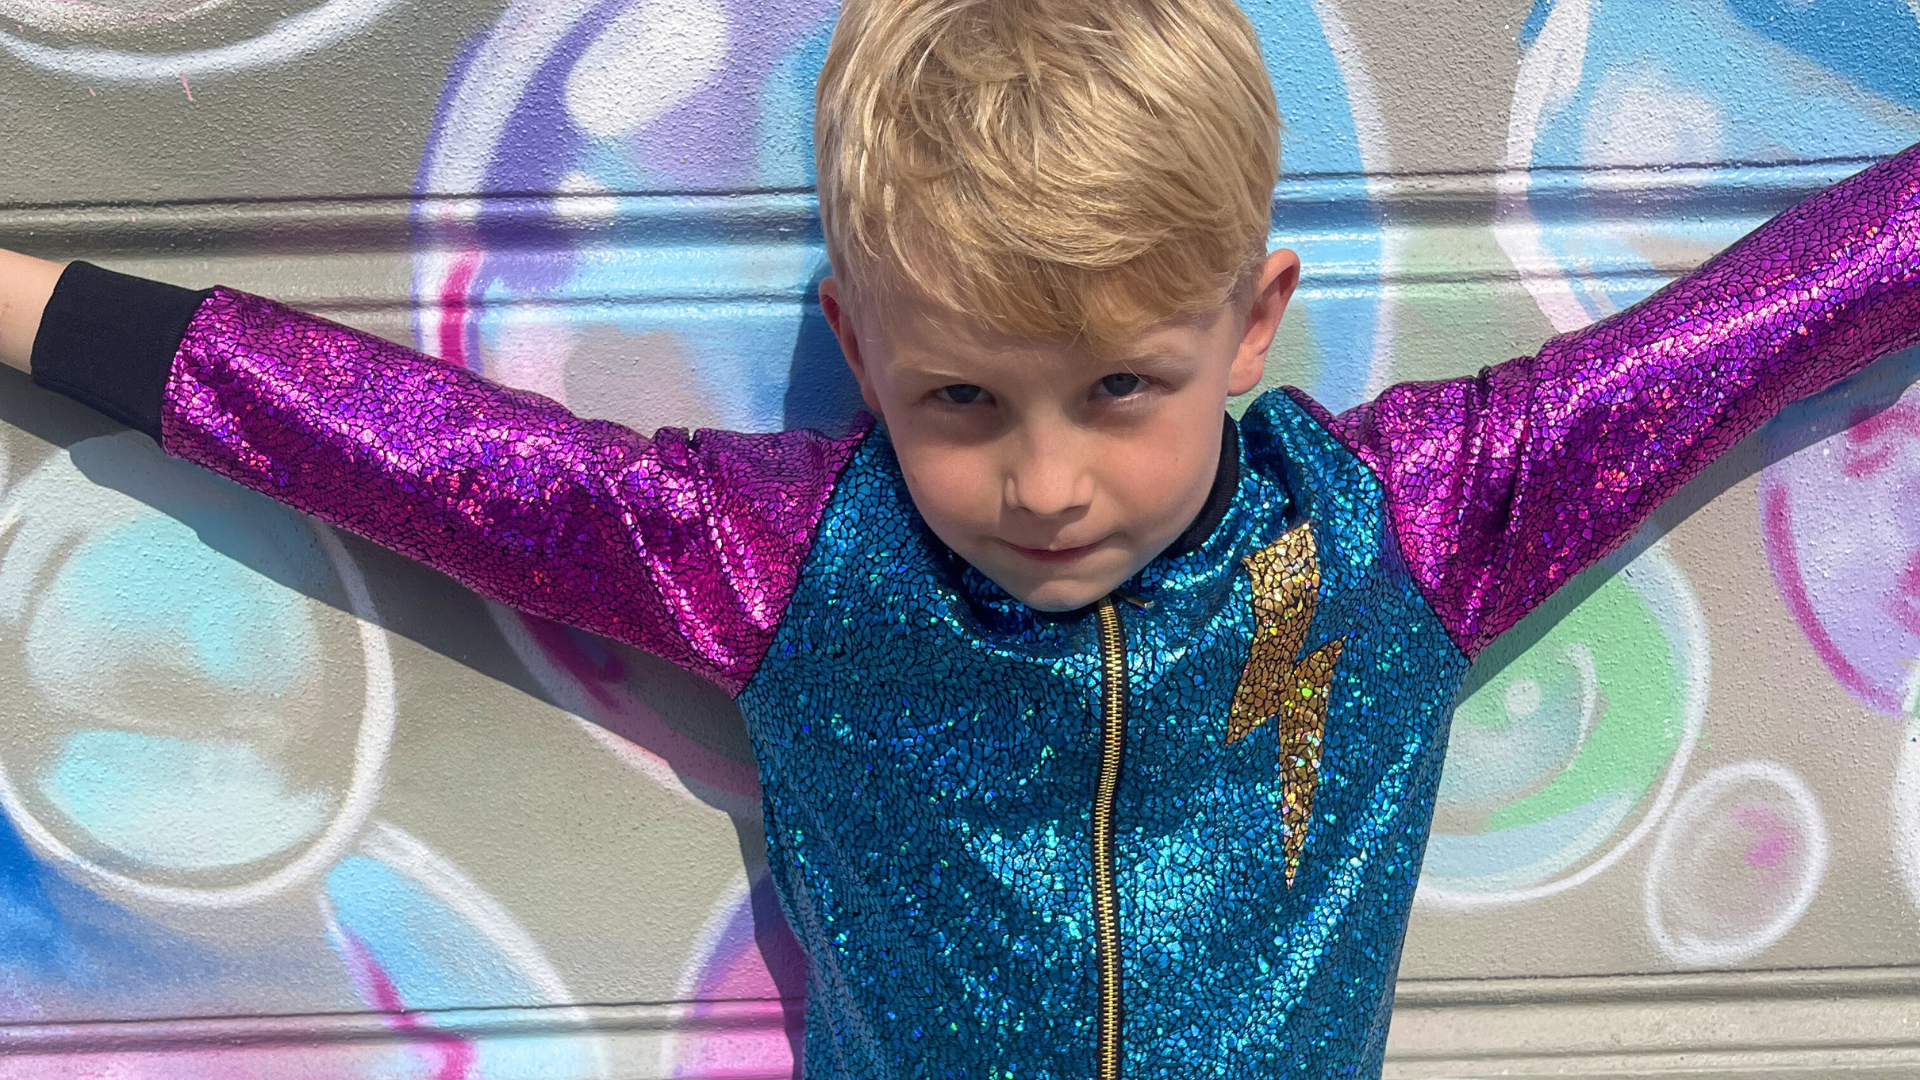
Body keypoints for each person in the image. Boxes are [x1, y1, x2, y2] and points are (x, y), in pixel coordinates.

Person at [0, 0, 1916, 1074]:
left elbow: (1749, 332)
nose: (1050, 483)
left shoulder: (1390, 532)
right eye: (963, 403)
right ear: (861, 350)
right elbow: (396, 445)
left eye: (1121, 393)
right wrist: (23, 308)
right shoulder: (785, 561)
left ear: (1250, 326)